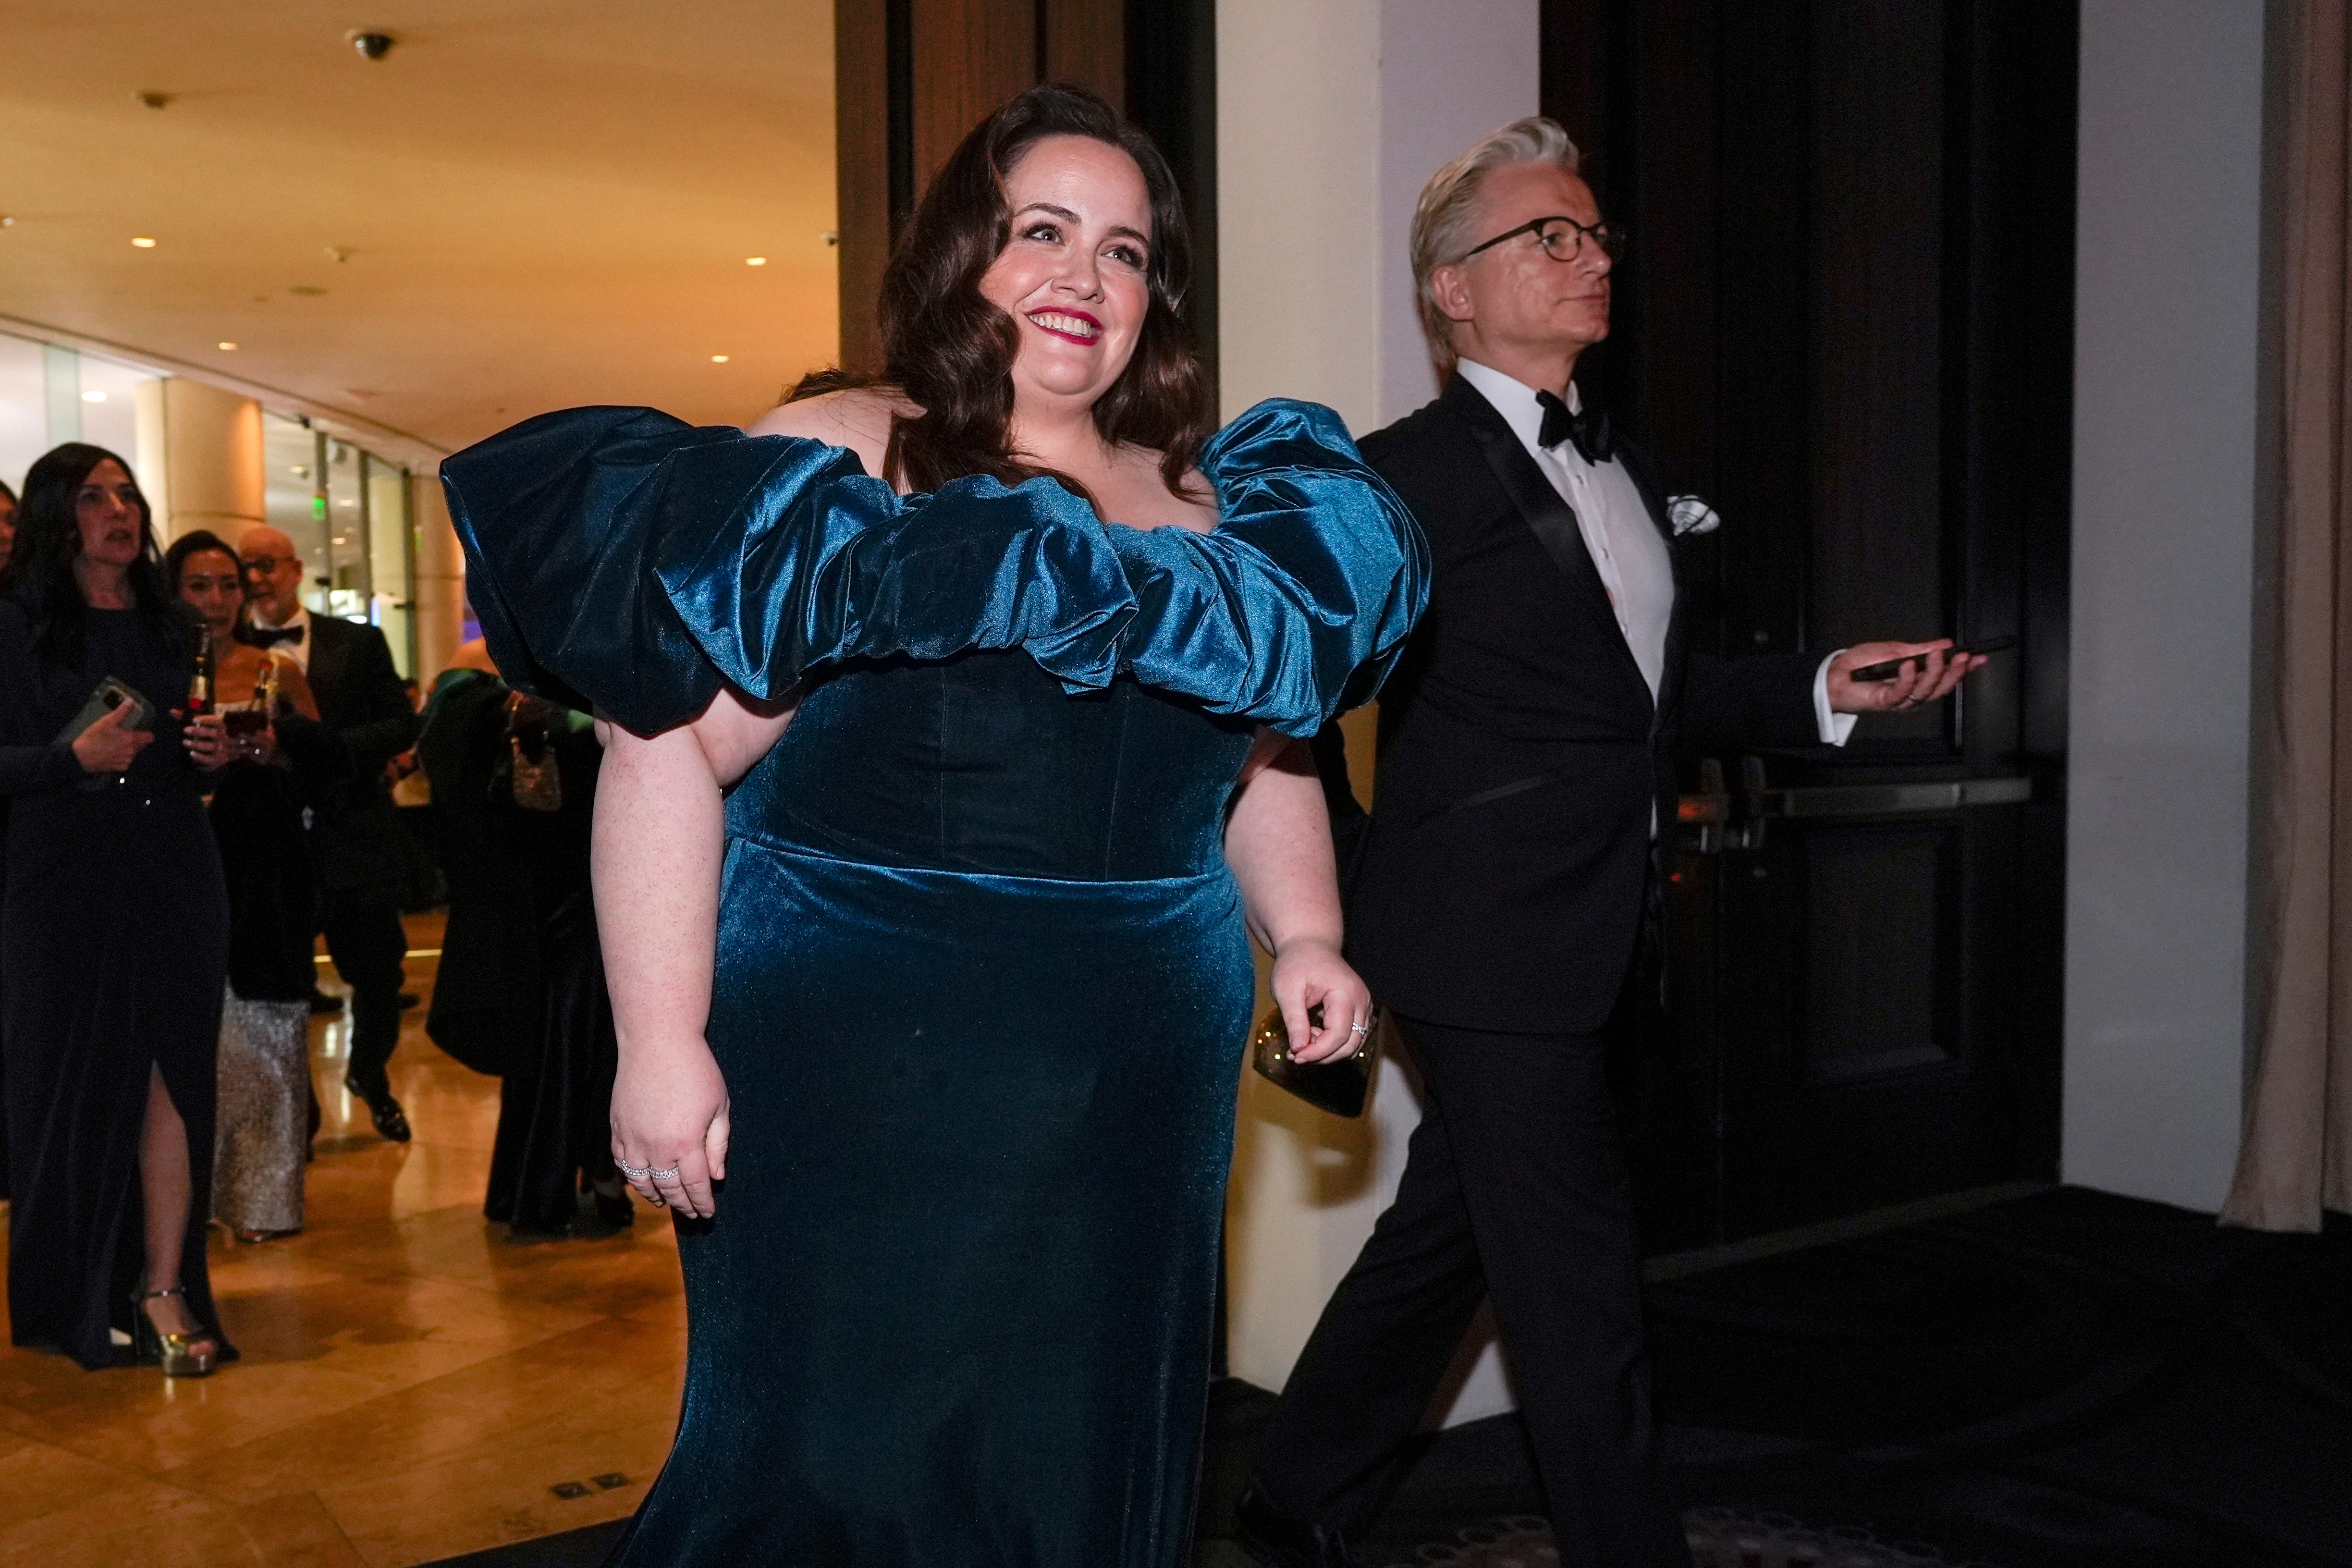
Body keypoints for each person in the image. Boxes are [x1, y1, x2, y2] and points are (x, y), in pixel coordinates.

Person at [442, 83, 1425, 1568]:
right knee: (836, 1458)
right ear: (966, 250)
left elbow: (1264, 755)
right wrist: (658, 1038)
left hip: (1135, 1075)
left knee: (1085, 1451)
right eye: (1043, 231)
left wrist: (1308, 931)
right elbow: (667, 747)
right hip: (857, 1065)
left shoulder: (1215, 499)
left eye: (1126, 249)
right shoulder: (849, 453)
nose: (1084, 278)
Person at [1233, 119, 1984, 1568]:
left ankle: (1299, 1483)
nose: (1591, 260)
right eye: (1549, 237)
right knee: (1578, 1287)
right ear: (1451, 288)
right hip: (1475, 938)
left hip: (1602, 925)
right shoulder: (1392, 481)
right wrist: (1342, 896)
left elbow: (1658, 703)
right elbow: (1289, 704)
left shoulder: (1629, 468)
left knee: (1455, 1227)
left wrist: (1825, 684)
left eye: (1596, 237)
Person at [0, 444, 236, 1378]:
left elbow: (181, 747)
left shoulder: (173, 626)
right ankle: (75, 1291)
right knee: (73, 1091)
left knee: (175, 1081)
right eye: (94, 496)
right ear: (61, 516)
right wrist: (69, 763)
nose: (118, 509)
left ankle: (162, 1285)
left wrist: (214, 752)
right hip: (61, 888)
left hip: (177, 872)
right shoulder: (15, 627)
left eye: (128, 493)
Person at [416, 641, 630, 1237]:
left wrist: (561, 715)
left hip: (608, 874)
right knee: (555, 1032)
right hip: (528, 892)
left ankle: (592, 1168)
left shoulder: (600, 637)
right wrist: (517, 717)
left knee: (594, 1027)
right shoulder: (475, 664)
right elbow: (445, 757)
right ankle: (548, 1182)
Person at [167, 530, 340, 1241]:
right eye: (199, 585)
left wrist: (278, 749)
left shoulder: (275, 669)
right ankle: (182, 1203)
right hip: (175, 872)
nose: (216, 600)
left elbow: (329, 766)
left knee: (264, 1039)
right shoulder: (150, 668)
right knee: (183, 1046)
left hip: (261, 873)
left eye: (228, 585)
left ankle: (264, 1202)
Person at [235, 525, 419, 1142]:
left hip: (355, 833)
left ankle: (371, 1074)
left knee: (378, 972)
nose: (257, 578)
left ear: (294, 569)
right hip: (271, 840)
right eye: (246, 567)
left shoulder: (358, 642)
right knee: (278, 980)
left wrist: (325, 748)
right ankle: (298, 1107)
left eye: (266, 564)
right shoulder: (227, 650)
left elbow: (399, 723)